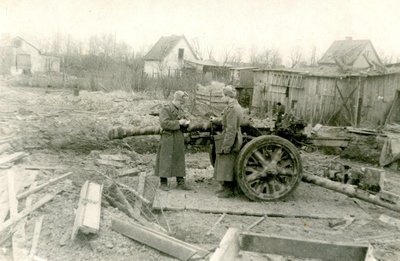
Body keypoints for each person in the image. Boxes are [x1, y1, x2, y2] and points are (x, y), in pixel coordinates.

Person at [210, 85, 243, 198]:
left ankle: (229, 190)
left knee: (228, 163)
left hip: (231, 138)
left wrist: (227, 145)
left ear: (228, 96)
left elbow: (231, 129)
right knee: (224, 162)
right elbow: (226, 121)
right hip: (230, 136)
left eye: (222, 96)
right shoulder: (231, 107)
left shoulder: (233, 109)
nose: (221, 98)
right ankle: (224, 187)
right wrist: (215, 120)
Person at [155, 91, 191, 191]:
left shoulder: (180, 109)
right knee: (165, 159)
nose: (182, 105)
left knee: (179, 159)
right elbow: (164, 123)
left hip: (178, 137)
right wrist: (179, 122)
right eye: (181, 103)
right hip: (168, 137)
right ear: (175, 100)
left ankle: (180, 182)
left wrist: (186, 123)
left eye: (183, 103)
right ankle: (163, 182)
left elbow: (183, 119)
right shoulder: (165, 109)